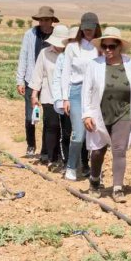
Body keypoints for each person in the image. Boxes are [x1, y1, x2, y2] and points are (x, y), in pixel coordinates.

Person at [82, 27, 131, 203]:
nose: (108, 50)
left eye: (112, 46)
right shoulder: (94, 65)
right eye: (105, 46)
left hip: (123, 113)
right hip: (99, 114)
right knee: (97, 151)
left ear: (120, 47)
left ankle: (118, 188)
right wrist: (86, 114)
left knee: (119, 150)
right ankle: (94, 181)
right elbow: (86, 91)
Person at [60, 12, 101, 180]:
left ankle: (93, 170)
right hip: (76, 91)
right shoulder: (72, 47)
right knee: (78, 132)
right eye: (85, 29)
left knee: (96, 132)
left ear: (96, 28)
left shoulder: (101, 47)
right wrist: (65, 97)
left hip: (95, 92)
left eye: (91, 29)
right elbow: (66, 73)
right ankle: (71, 166)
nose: (88, 32)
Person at [15, 6, 58, 158]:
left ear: (52, 21)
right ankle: (31, 144)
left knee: (49, 117)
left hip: (49, 83)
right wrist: (20, 80)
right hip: (30, 80)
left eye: (46, 19)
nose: (43, 22)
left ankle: (46, 150)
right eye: (41, 19)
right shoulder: (30, 34)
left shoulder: (57, 36)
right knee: (30, 115)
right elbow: (24, 56)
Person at [30, 24, 72, 168]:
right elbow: (38, 75)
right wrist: (34, 95)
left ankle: (66, 159)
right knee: (52, 126)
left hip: (67, 97)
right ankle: (52, 158)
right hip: (49, 95)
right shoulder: (44, 53)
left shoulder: (71, 55)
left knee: (67, 129)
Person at [51, 26, 78, 168]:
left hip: (82, 101)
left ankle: (82, 163)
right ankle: (67, 161)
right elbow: (57, 80)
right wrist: (60, 100)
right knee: (67, 133)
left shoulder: (88, 57)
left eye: (76, 40)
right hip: (66, 101)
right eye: (71, 40)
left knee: (82, 135)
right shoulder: (62, 58)